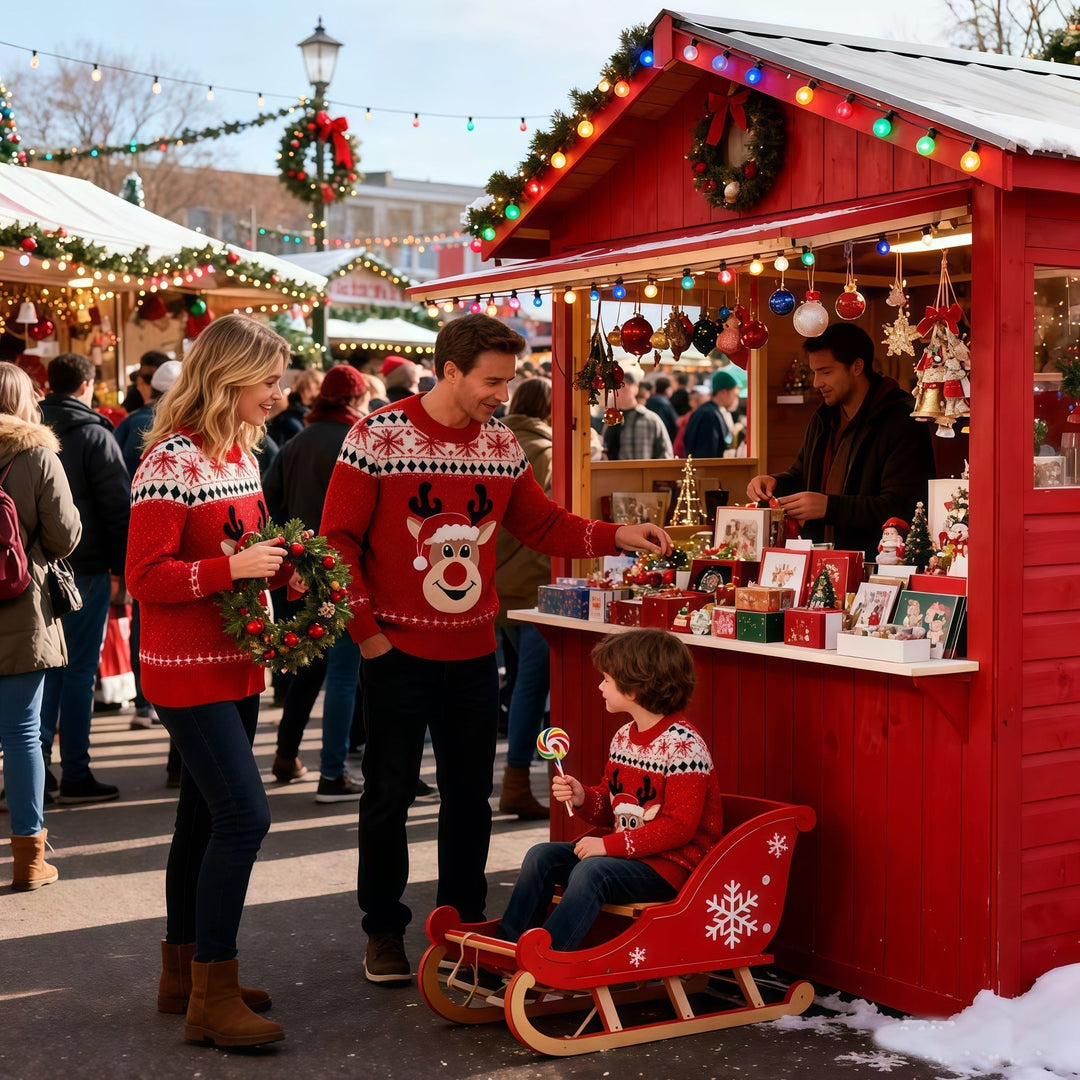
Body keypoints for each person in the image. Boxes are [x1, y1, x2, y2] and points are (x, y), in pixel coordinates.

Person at [320, 312, 672, 984]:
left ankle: (463, 924)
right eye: (491, 381)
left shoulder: (501, 442)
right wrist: (367, 636)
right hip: (394, 652)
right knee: (388, 796)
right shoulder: (375, 435)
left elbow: (540, 523)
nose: (502, 394)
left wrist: (615, 536)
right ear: (449, 370)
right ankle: (383, 930)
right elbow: (336, 540)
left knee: (469, 798)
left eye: (508, 381)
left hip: (474, 654)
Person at [126, 314, 295, 1047]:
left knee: (201, 820)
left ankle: (185, 977)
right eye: (269, 380)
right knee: (243, 818)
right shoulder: (171, 460)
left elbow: (246, 549)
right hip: (185, 670)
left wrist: (281, 565)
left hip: (238, 661)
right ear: (230, 377)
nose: (279, 394)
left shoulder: (241, 454)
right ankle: (212, 993)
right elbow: (145, 575)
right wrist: (233, 568)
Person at [458, 629, 723, 993]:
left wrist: (607, 847)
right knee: (542, 855)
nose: (600, 686)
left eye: (607, 679)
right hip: (631, 858)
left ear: (635, 687)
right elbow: (614, 806)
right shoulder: (624, 737)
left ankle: (548, 962)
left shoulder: (684, 746)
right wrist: (584, 796)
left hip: (672, 868)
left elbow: (678, 828)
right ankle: (505, 952)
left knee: (593, 870)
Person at [263, 364, 370, 803]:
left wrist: (292, 552)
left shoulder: (298, 441)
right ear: (356, 399)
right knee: (347, 674)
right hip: (346, 572)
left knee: (306, 668)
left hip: (299, 571)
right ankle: (333, 772)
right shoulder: (358, 440)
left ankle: (287, 754)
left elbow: (268, 503)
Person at [747, 323, 936, 561]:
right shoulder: (823, 418)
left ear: (857, 367)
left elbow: (902, 506)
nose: (816, 383)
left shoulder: (901, 420)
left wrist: (830, 507)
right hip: (819, 560)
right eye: (814, 372)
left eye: (825, 372)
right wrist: (774, 483)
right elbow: (801, 475)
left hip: (879, 563)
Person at [0, 362, 82, 889]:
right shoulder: (37, 455)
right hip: (20, 608)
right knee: (22, 733)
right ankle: (29, 859)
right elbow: (65, 535)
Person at [39, 352, 130, 805]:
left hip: (35, 568)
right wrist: (123, 569)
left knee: (43, 672)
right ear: (85, 386)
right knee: (77, 673)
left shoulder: (28, 430)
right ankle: (75, 772)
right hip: (85, 567)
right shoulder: (96, 434)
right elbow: (117, 508)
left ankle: (36, 770)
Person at [494, 376, 553, 820]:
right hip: (535, 583)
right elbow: (549, 519)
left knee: (518, 683)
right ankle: (517, 779)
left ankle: (513, 778)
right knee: (532, 687)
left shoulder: (496, 443)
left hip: (495, 582)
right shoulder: (547, 453)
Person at [602, 370, 673, 461]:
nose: (618, 391)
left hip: (645, 469)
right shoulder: (611, 420)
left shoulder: (650, 419)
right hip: (618, 469)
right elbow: (605, 450)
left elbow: (666, 454)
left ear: (636, 388)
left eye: (623, 386)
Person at [682, 369, 740, 459]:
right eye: (735, 395)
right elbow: (707, 456)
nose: (736, 399)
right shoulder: (709, 415)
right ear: (723, 392)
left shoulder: (711, 411)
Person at [267, 367, 323, 445]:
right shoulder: (287, 399)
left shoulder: (316, 409)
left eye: (317, 386)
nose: (310, 387)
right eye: (307, 385)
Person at [645, 375, 679, 442]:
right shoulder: (665, 404)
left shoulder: (648, 401)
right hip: (664, 438)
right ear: (667, 390)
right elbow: (675, 423)